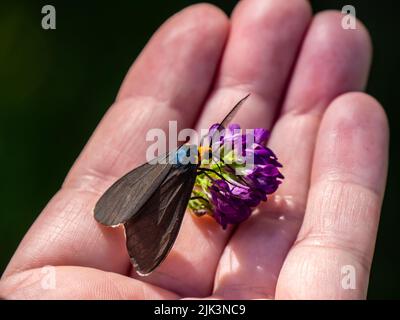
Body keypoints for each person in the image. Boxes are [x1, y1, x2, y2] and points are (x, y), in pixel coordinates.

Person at [0, 0, 388, 299]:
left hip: (176, 175)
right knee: (170, 192)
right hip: (176, 181)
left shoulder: (186, 157)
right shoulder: (191, 165)